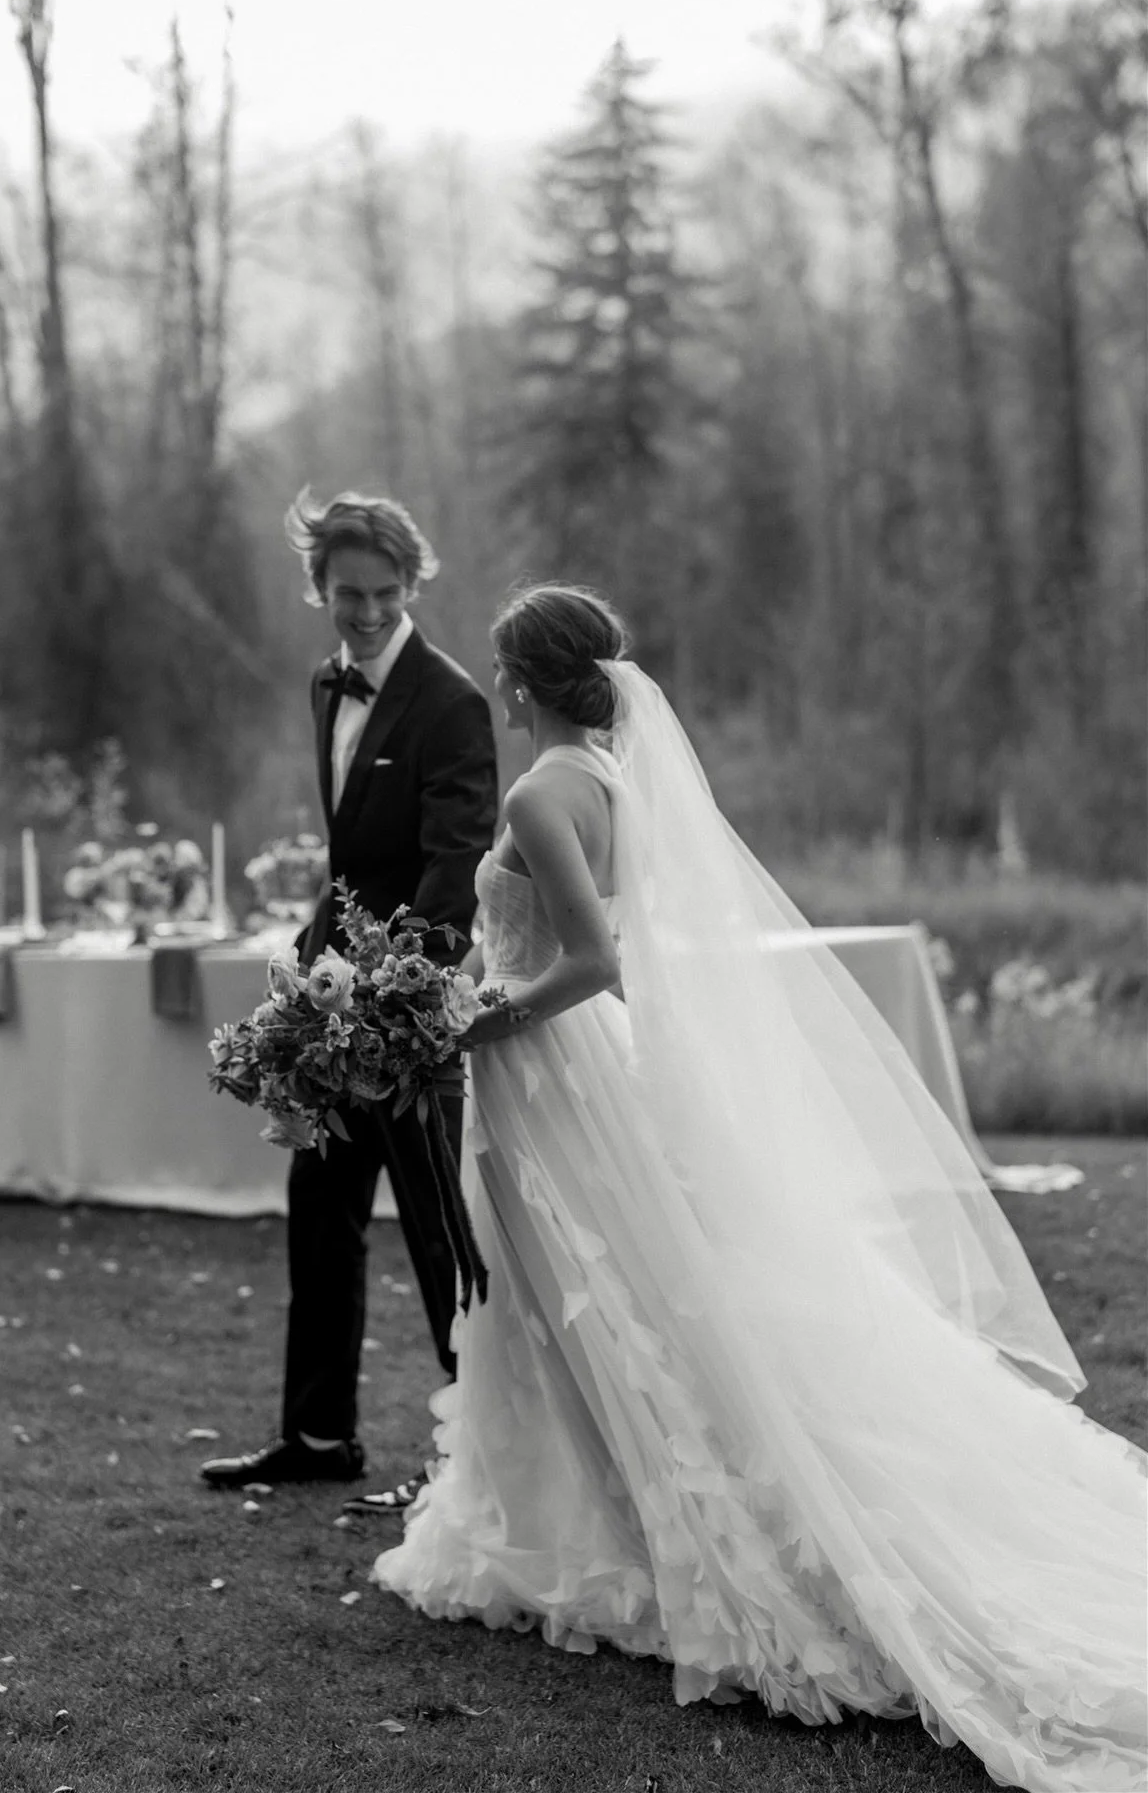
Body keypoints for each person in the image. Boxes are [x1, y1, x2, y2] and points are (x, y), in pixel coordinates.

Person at [373, 582, 1146, 1793]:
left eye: (499, 669)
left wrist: (468, 1017)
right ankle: (578, 1521)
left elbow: (590, 961)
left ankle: (639, 1539)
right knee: (582, 1300)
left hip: (551, 1074)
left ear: (521, 682)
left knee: (596, 1300)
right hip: (579, 1075)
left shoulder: (538, 791)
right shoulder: (616, 784)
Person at [201, 490, 498, 1511]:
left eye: (382, 594)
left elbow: (454, 870)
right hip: (330, 1011)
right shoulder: (326, 688)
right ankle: (318, 1435)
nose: (365, 613)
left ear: (412, 585)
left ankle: (487, 1455)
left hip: (411, 1022)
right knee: (320, 1216)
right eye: (345, 595)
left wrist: (394, 999)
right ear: (318, 589)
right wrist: (310, 979)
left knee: (437, 1234)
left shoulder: (453, 703)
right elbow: (350, 863)